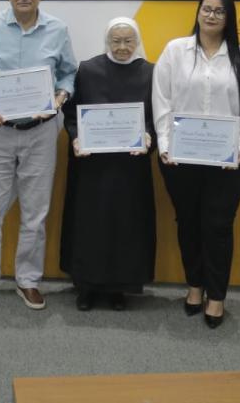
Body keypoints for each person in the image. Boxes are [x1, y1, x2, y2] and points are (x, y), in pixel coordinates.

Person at [0, 0, 76, 310]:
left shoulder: (57, 30)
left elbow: (68, 74)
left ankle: (28, 280)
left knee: (35, 213)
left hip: (40, 132)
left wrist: (58, 100)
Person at [152, 0, 240, 328]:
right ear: (198, 12)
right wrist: (165, 144)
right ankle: (195, 287)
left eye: (219, 11)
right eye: (207, 9)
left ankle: (217, 296)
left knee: (217, 226)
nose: (211, 15)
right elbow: (162, 100)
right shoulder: (175, 51)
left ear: (229, 18)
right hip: (179, 158)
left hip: (227, 161)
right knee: (187, 223)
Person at [61, 17, 156, 311]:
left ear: (137, 41)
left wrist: (149, 137)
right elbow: (72, 114)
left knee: (126, 226)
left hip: (130, 168)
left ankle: (120, 288)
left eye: (129, 41)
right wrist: (76, 138)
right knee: (90, 225)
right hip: (92, 168)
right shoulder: (88, 70)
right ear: (107, 41)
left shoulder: (150, 73)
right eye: (116, 41)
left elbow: (156, 117)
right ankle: (86, 287)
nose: (123, 47)